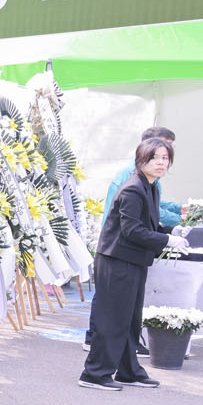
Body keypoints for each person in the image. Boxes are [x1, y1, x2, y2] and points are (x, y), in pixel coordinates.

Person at [82, 137, 188, 391]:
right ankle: (94, 373)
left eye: (165, 158)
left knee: (131, 319)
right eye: (155, 158)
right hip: (116, 260)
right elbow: (132, 230)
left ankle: (128, 371)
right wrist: (167, 240)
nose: (161, 163)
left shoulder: (150, 186)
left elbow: (147, 223)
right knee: (112, 319)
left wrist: (171, 230)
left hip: (132, 259)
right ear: (141, 159)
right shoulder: (133, 188)